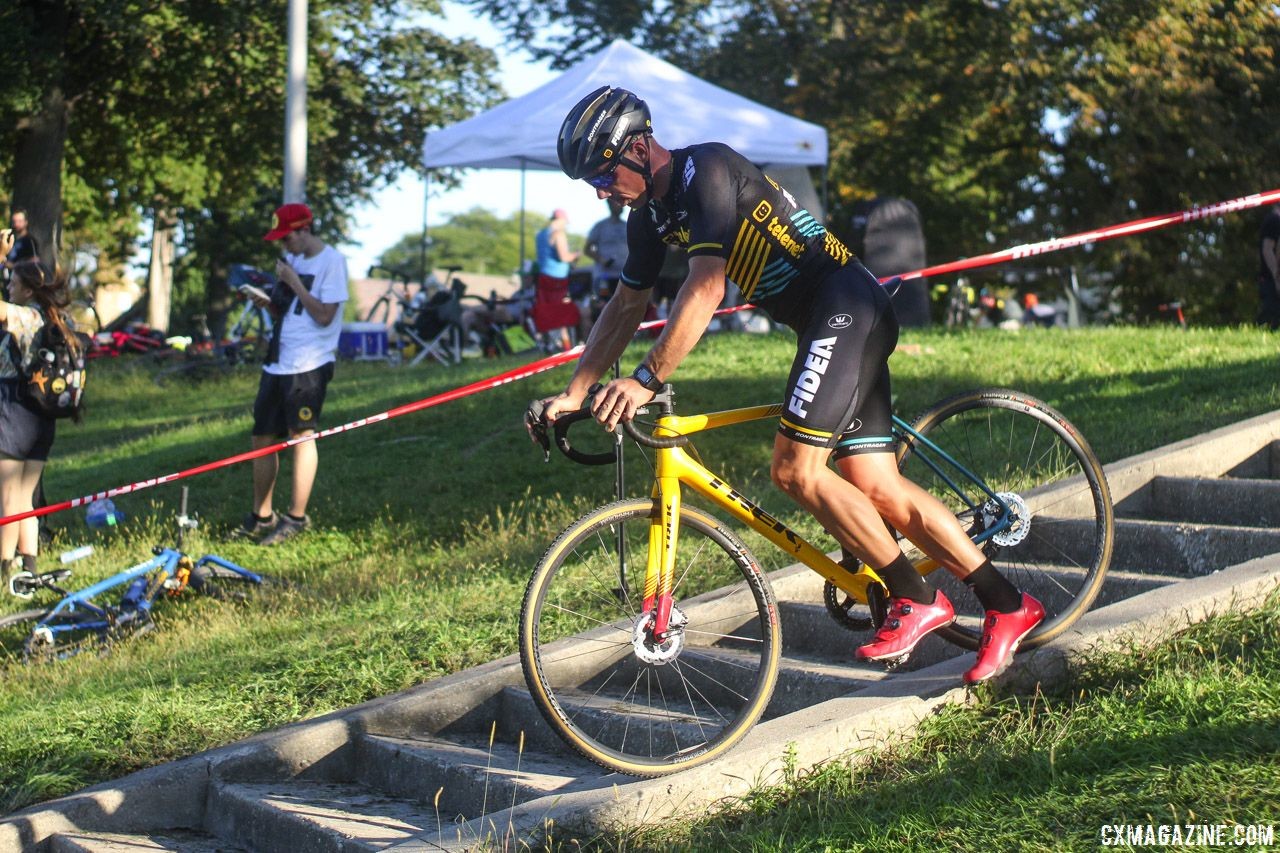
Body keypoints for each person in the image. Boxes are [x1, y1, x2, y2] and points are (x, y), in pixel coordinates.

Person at [531, 85, 1044, 685]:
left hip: (847, 306)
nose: (599, 190)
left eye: (603, 172)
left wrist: (647, 378)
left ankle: (917, 597)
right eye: (588, 182)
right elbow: (625, 305)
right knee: (874, 483)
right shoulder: (648, 219)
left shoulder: (708, 170)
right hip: (828, 322)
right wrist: (574, 391)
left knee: (794, 470)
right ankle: (1010, 604)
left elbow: (706, 288)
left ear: (641, 148)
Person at [233, 203, 349, 546]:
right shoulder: (292, 261)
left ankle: (296, 517)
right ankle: (262, 515)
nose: (284, 246)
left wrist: (295, 282)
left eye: (287, 238)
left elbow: (325, 315)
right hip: (278, 359)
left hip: (309, 364)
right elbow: (286, 308)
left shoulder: (332, 262)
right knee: (262, 439)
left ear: (304, 230)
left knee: (302, 436)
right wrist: (265, 301)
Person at [0, 260, 79, 587]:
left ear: (29, 289)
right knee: (25, 497)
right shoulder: (57, 319)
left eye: (14, 284)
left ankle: (4, 569)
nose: (9, 288)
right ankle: (30, 568)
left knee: (6, 497)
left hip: (14, 410)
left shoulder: (26, 316)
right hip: (42, 415)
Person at [532, 209, 580, 351]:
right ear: (560, 220)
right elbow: (564, 257)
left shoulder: (540, 234)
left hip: (543, 276)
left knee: (546, 311)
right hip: (557, 279)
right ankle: (566, 347)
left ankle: (548, 345)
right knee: (561, 312)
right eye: (565, 222)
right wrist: (576, 254)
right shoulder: (558, 234)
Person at [581, 198, 629, 336]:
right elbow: (587, 249)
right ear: (609, 205)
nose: (620, 206)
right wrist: (602, 260)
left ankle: (622, 334)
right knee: (603, 304)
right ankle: (601, 334)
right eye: (617, 203)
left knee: (624, 305)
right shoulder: (600, 226)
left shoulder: (627, 225)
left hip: (623, 275)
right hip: (604, 276)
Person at [2, 209, 39, 292]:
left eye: (20, 221)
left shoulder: (30, 241)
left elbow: (35, 262)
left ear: (26, 222)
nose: (16, 224)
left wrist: (13, 265)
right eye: (14, 221)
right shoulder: (11, 239)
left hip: (21, 285)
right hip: (8, 282)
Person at [1257, 204, 1280, 330]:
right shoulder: (1274, 220)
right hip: (1271, 280)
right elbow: (1267, 249)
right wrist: (1276, 276)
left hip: (1272, 279)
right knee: (1269, 319)